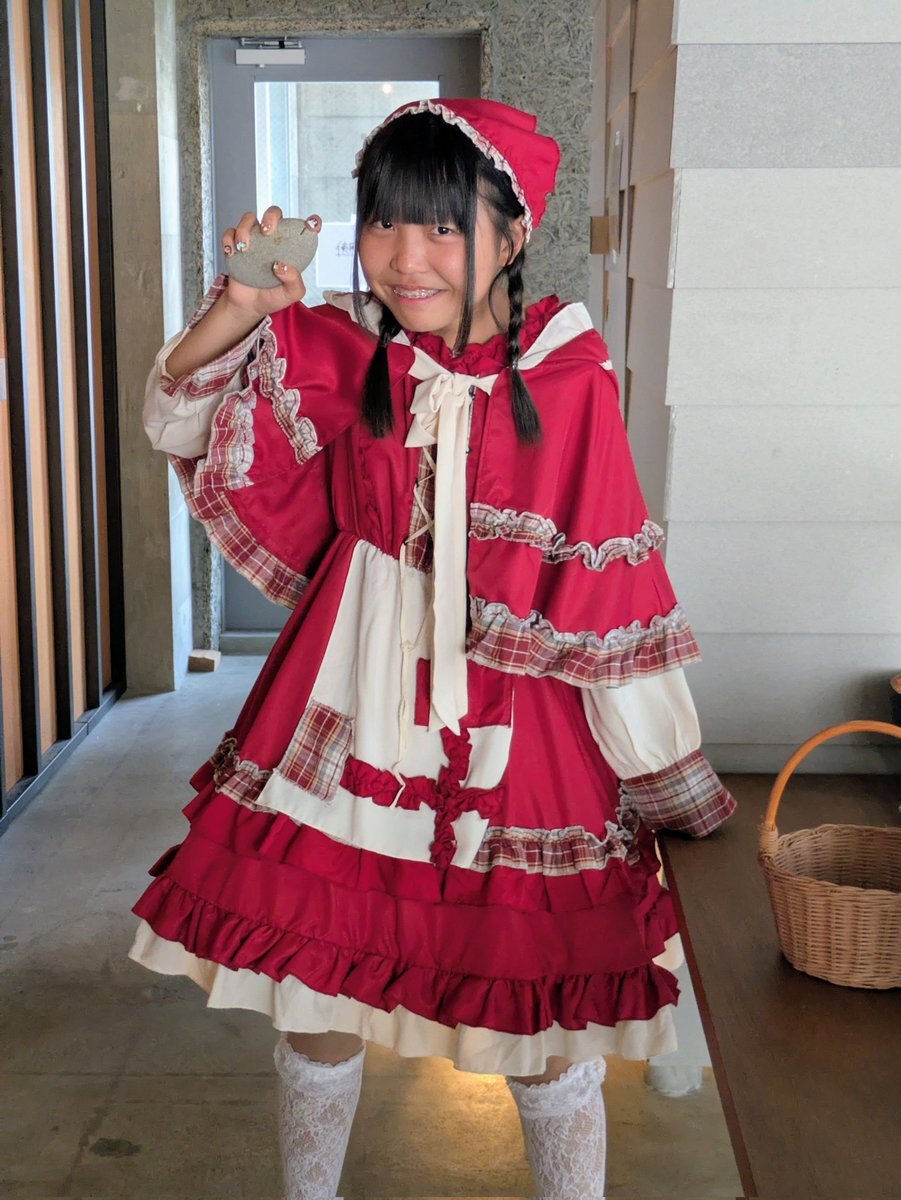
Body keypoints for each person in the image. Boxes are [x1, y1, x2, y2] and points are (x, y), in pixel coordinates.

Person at [130, 97, 737, 1200]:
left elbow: (609, 598)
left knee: (543, 1018)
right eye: (384, 223)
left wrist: (665, 773)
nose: (405, 259)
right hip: (347, 700)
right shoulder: (349, 353)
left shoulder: (570, 382)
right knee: (313, 993)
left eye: (443, 227)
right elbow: (178, 417)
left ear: (514, 233)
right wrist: (240, 309)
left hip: (518, 725)